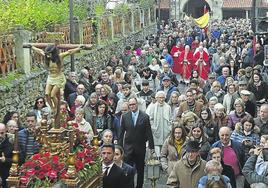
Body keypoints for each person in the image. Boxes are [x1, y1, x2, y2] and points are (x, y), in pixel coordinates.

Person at [30, 44, 85, 113]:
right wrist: (32, 47)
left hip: (59, 77)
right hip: (51, 77)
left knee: (53, 95)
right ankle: (52, 107)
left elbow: (69, 52)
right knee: (47, 94)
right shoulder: (47, 57)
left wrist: (78, 48)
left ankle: (56, 107)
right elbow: (40, 51)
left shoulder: (60, 57)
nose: (47, 55)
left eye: (49, 54)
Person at [119, 97, 154, 188]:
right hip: (128, 148)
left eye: (133, 104)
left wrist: (151, 147)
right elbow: (121, 133)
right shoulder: (125, 116)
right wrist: (119, 148)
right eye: (130, 105)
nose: (132, 106)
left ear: (137, 104)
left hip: (140, 148)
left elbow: (149, 132)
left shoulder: (145, 116)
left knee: (140, 171)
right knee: (127, 170)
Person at [146, 91, 172, 157]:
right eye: (160, 97)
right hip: (156, 132)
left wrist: (169, 128)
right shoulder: (152, 107)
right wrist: (153, 127)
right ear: (156, 98)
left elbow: (170, 119)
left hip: (166, 131)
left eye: (163, 98)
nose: (161, 99)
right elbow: (149, 119)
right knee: (157, 153)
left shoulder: (168, 107)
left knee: (165, 151)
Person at [0, 123, 13, 188]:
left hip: (6, 175)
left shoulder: (11, 145)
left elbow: (18, 160)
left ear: (6, 132)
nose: (0, 135)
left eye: (2, 133)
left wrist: (5, 160)